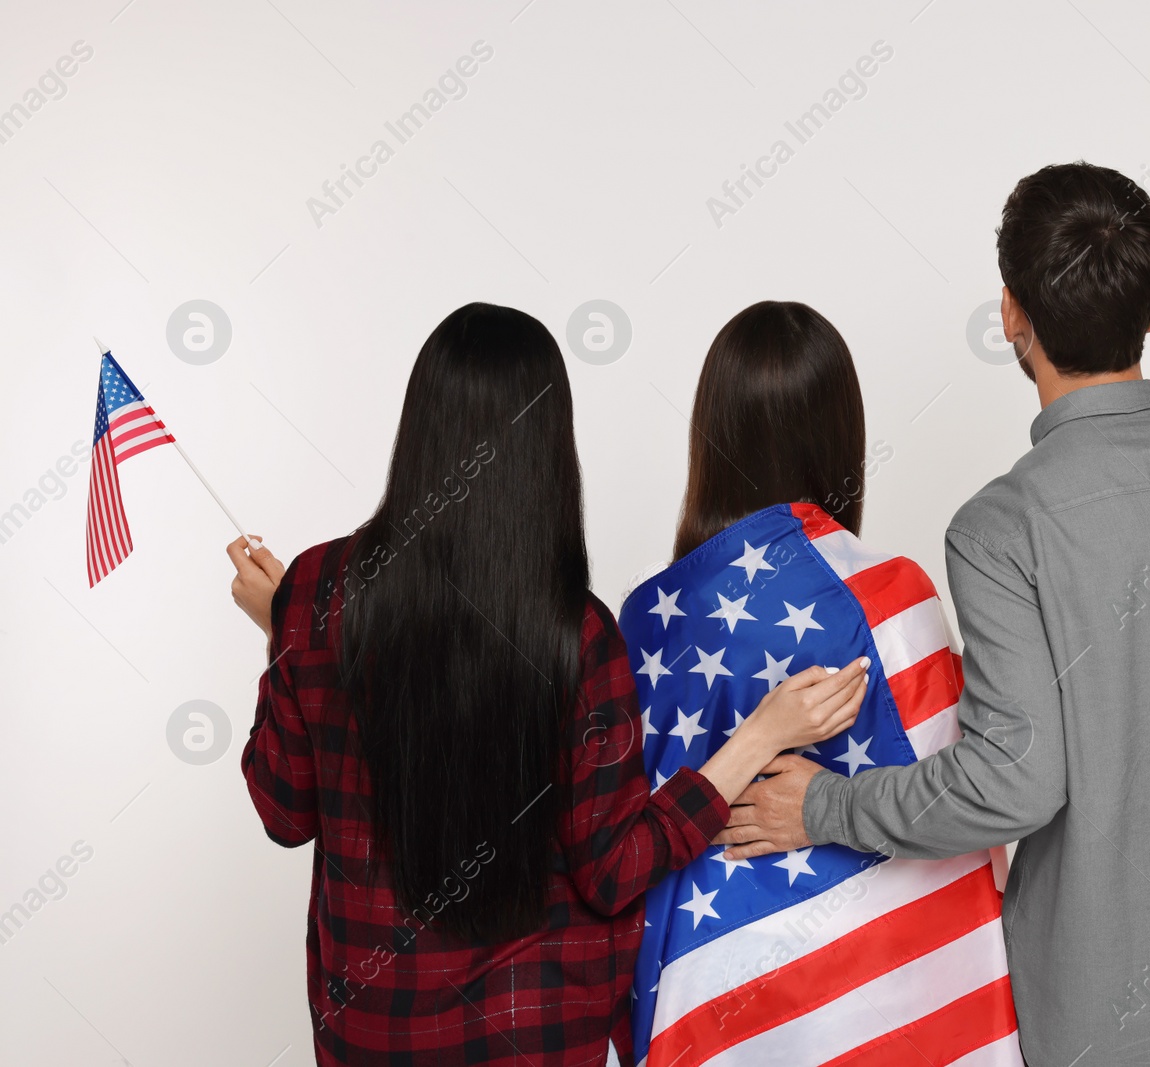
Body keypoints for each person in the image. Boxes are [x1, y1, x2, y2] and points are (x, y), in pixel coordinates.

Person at [716, 165, 1150, 1066]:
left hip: (1088, 1031)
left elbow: (1013, 780)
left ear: (1011, 313)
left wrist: (826, 806)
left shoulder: (999, 528)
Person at [224, 302, 868, 1067]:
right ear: (548, 450)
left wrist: (286, 632)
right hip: (532, 1040)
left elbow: (283, 808)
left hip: (369, 1036)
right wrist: (755, 738)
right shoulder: (578, 635)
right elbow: (613, 870)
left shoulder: (315, 593)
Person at [616, 302, 1022, 1066]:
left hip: (715, 1002)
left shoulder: (651, 620)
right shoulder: (896, 598)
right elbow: (965, 810)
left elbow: (618, 848)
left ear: (713, 435)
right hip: (895, 1000)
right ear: (841, 435)